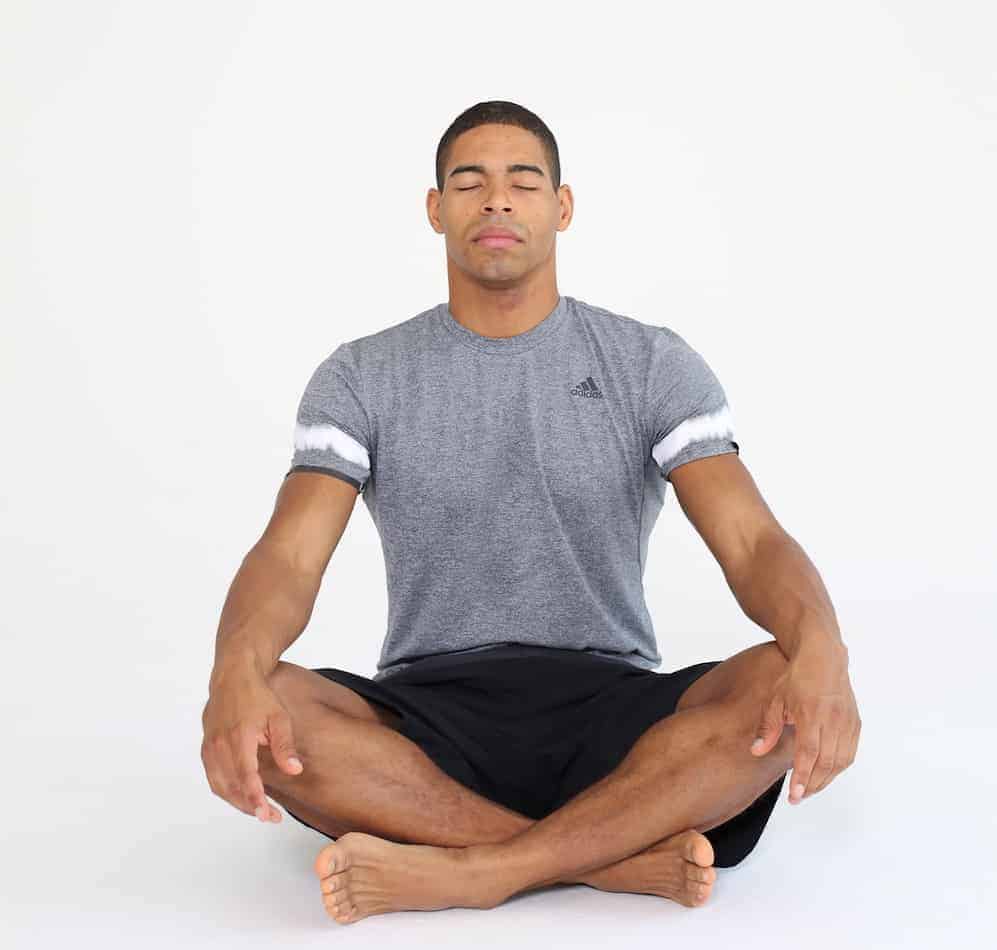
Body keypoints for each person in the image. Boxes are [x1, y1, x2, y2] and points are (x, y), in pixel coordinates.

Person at [201, 100, 860, 925]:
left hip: (613, 710)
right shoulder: (362, 375)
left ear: (562, 206)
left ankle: (478, 870)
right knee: (272, 698)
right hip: (428, 716)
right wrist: (231, 674)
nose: (497, 200)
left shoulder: (648, 362)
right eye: (469, 182)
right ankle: (608, 860)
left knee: (778, 679)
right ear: (436, 209)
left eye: (523, 181)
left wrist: (824, 652)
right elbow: (290, 556)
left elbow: (751, 539)